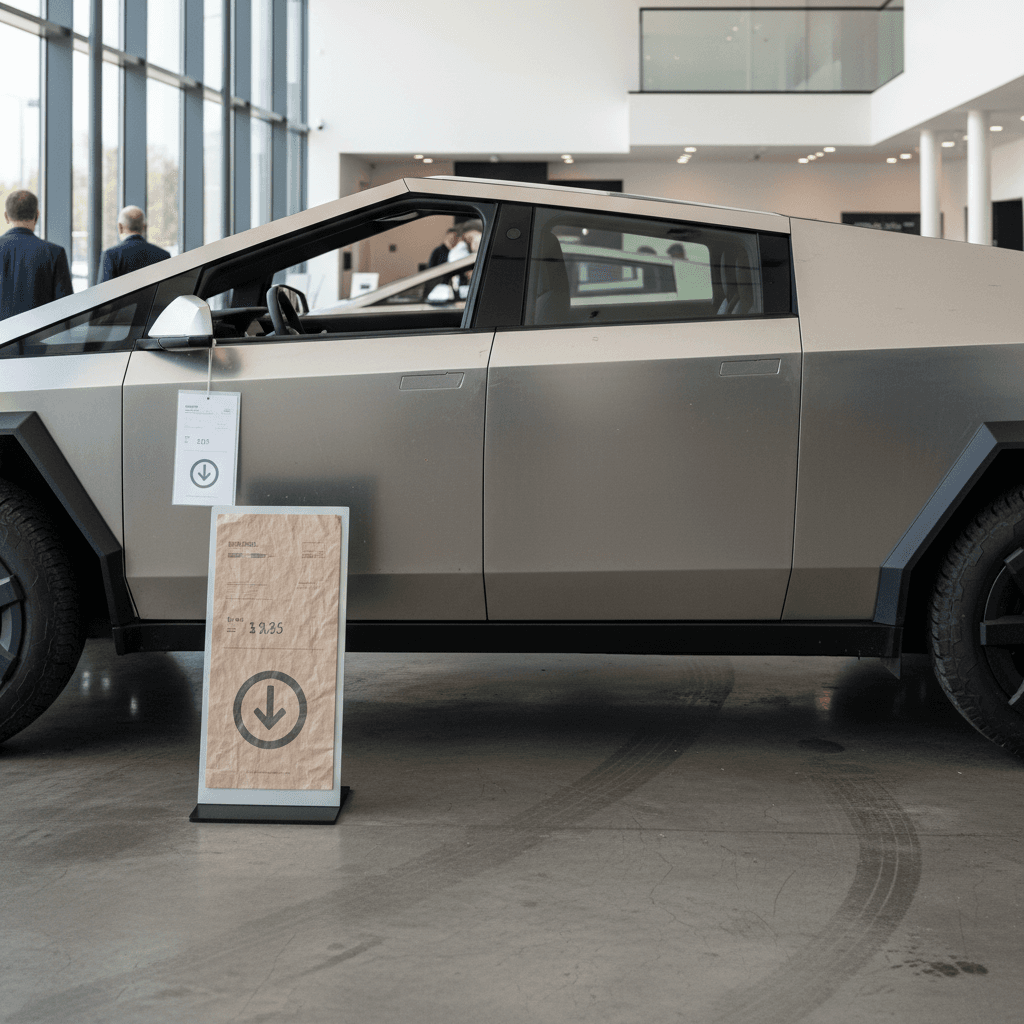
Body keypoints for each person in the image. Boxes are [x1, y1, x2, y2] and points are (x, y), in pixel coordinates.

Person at [0, 190, 73, 322]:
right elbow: (65, 308)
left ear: (6, 216)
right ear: (37, 215)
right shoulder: (54, 253)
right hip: (39, 340)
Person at [99, 206, 171, 282]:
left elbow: (103, 292)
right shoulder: (163, 256)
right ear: (144, 227)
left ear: (120, 227)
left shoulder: (111, 255)